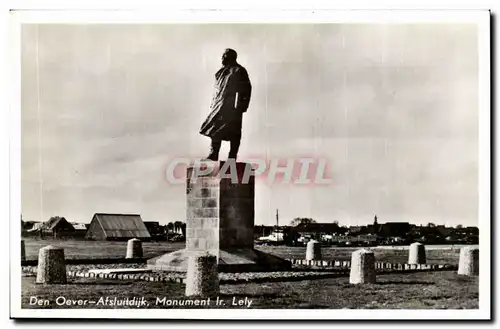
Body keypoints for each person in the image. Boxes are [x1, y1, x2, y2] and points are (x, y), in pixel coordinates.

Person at [199, 48, 252, 160]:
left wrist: (241, 107)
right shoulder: (221, 72)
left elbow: (246, 89)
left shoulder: (239, 70)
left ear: (230, 57)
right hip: (218, 106)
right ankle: (214, 153)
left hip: (232, 107)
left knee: (234, 132)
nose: (222, 58)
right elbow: (217, 90)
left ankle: (232, 156)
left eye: (224, 56)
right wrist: (213, 104)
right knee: (215, 129)